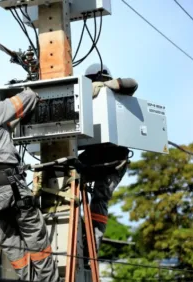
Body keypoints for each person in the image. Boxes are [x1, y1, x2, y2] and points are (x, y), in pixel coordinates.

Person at [0, 76, 59, 282]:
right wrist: (28, 83)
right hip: (12, 190)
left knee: (11, 242)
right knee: (36, 238)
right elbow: (29, 96)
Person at [79, 63, 137, 254]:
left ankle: (92, 245)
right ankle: (77, 231)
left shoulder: (118, 95)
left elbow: (132, 83)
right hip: (94, 154)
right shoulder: (84, 98)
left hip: (114, 159)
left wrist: (106, 86)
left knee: (100, 196)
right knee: (67, 178)